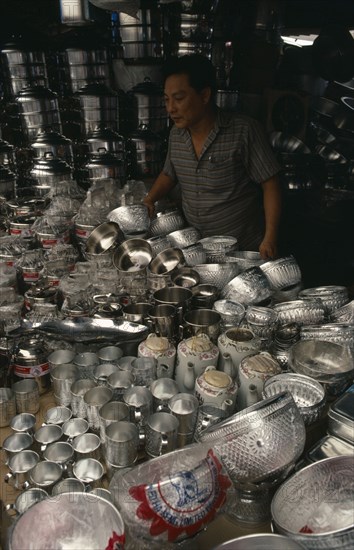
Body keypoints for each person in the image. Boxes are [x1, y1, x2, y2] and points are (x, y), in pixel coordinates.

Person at [143, 54, 282, 260]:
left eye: (179, 99)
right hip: (198, 251)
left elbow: (270, 183)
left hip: (242, 251)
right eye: (166, 99)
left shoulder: (243, 131)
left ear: (205, 95)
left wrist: (270, 237)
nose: (170, 108)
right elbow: (169, 174)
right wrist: (149, 200)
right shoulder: (176, 134)